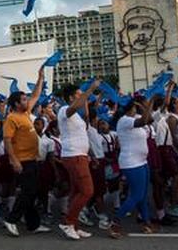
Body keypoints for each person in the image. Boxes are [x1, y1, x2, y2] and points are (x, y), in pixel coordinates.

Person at [2, 67, 50, 237]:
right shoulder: (11, 118)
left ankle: (33, 224)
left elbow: (36, 95)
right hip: (22, 161)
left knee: (31, 192)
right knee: (28, 192)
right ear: (16, 103)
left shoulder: (25, 112)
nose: (27, 100)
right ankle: (11, 220)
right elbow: (7, 141)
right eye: (23, 99)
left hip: (32, 159)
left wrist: (40, 77)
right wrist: (14, 161)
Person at [57, 80, 100, 240]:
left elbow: (83, 133)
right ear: (69, 98)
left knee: (77, 191)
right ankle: (68, 223)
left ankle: (74, 225)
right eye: (77, 95)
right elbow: (75, 106)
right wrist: (89, 90)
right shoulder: (64, 110)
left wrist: (91, 156)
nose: (81, 98)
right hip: (73, 156)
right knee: (87, 191)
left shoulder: (77, 117)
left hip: (80, 155)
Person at [108, 98, 155, 238]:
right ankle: (114, 223)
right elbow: (143, 121)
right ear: (132, 107)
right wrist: (147, 106)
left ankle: (146, 223)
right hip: (131, 162)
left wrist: (145, 108)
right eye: (137, 107)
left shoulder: (136, 117)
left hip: (142, 161)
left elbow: (149, 119)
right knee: (136, 195)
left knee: (142, 195)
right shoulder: (124, 120)